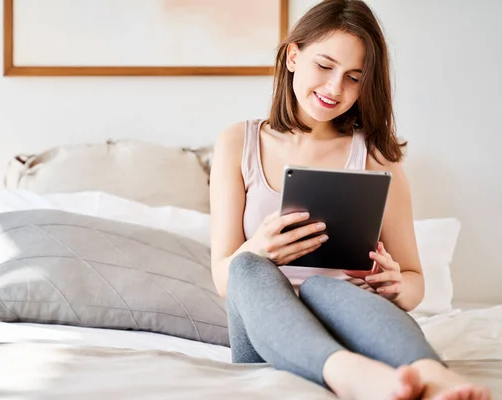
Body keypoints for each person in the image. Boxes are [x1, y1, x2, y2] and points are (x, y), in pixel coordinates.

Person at [209, 1, 492, 399]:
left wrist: (395, 285)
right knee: (246, 269)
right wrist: (259, 248)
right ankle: (347, 373)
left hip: (352, 321)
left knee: (325, 289)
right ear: (293, 56)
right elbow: (222, 278)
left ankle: (433, 376)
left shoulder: (378, 160)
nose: (334, 89)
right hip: (265, 331)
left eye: (353, 77)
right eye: (324, 67)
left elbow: (413, 282)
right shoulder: (238, 143)